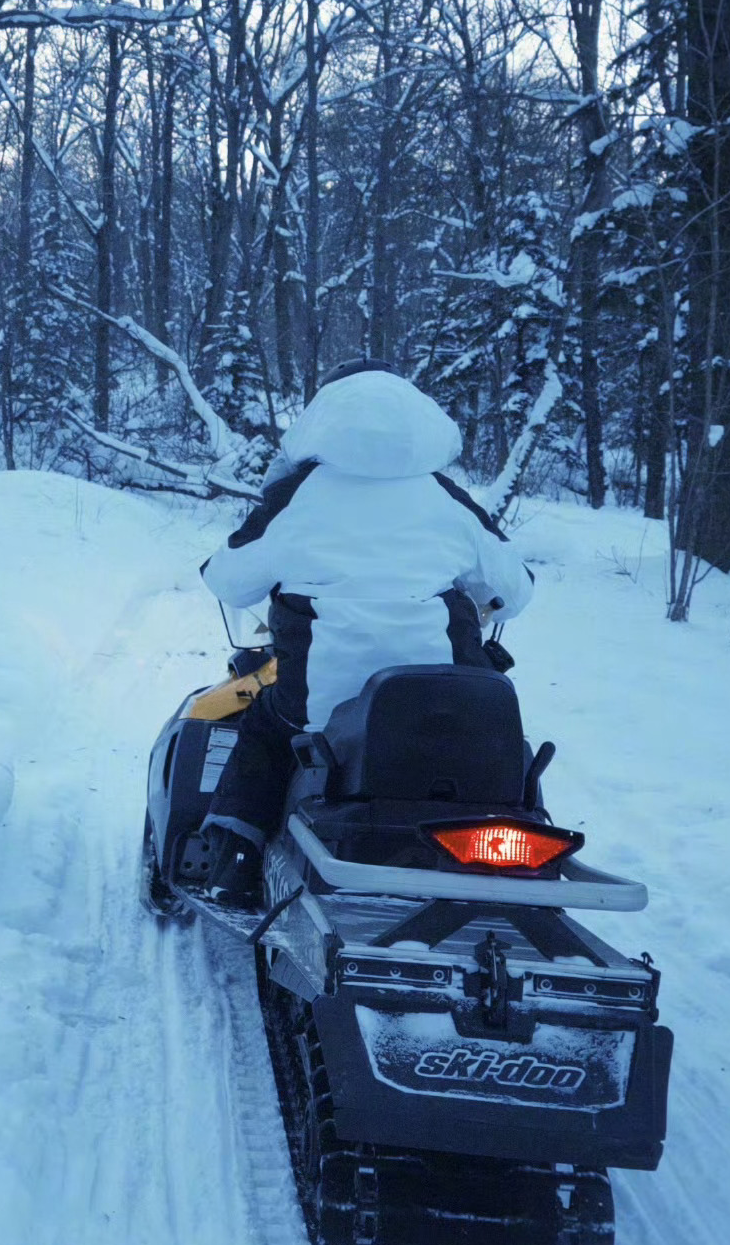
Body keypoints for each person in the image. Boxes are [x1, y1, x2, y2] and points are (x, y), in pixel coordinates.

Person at [191, 366, 535, 905]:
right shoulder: (446, 498)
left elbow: (227, 580)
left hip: (323, 708)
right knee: (501, 744)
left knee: (263, 728)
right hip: (451, 702)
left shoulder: (297, 497)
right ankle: (526, 844)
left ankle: (236, 858)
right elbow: (515, 590)